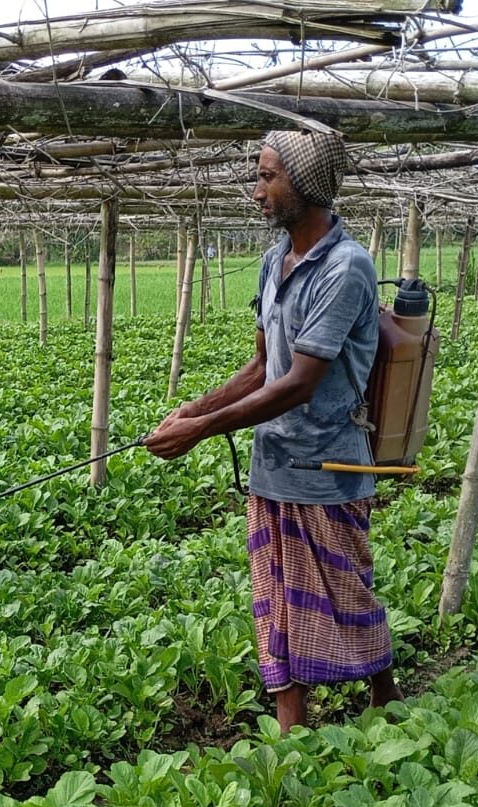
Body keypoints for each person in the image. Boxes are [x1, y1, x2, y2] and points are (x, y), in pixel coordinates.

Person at [146, 129, 400, 733]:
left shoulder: (346, 267)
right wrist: (193, 409)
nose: (256, 190)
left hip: (328, 466)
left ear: (305, 185)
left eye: (267, 176)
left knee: (345, 591)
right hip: (274, 464)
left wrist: (204, 430)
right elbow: (264, 366)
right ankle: (291, 726)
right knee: (280, 597)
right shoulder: (272, 261)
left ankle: (385, 700)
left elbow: (299, 383)